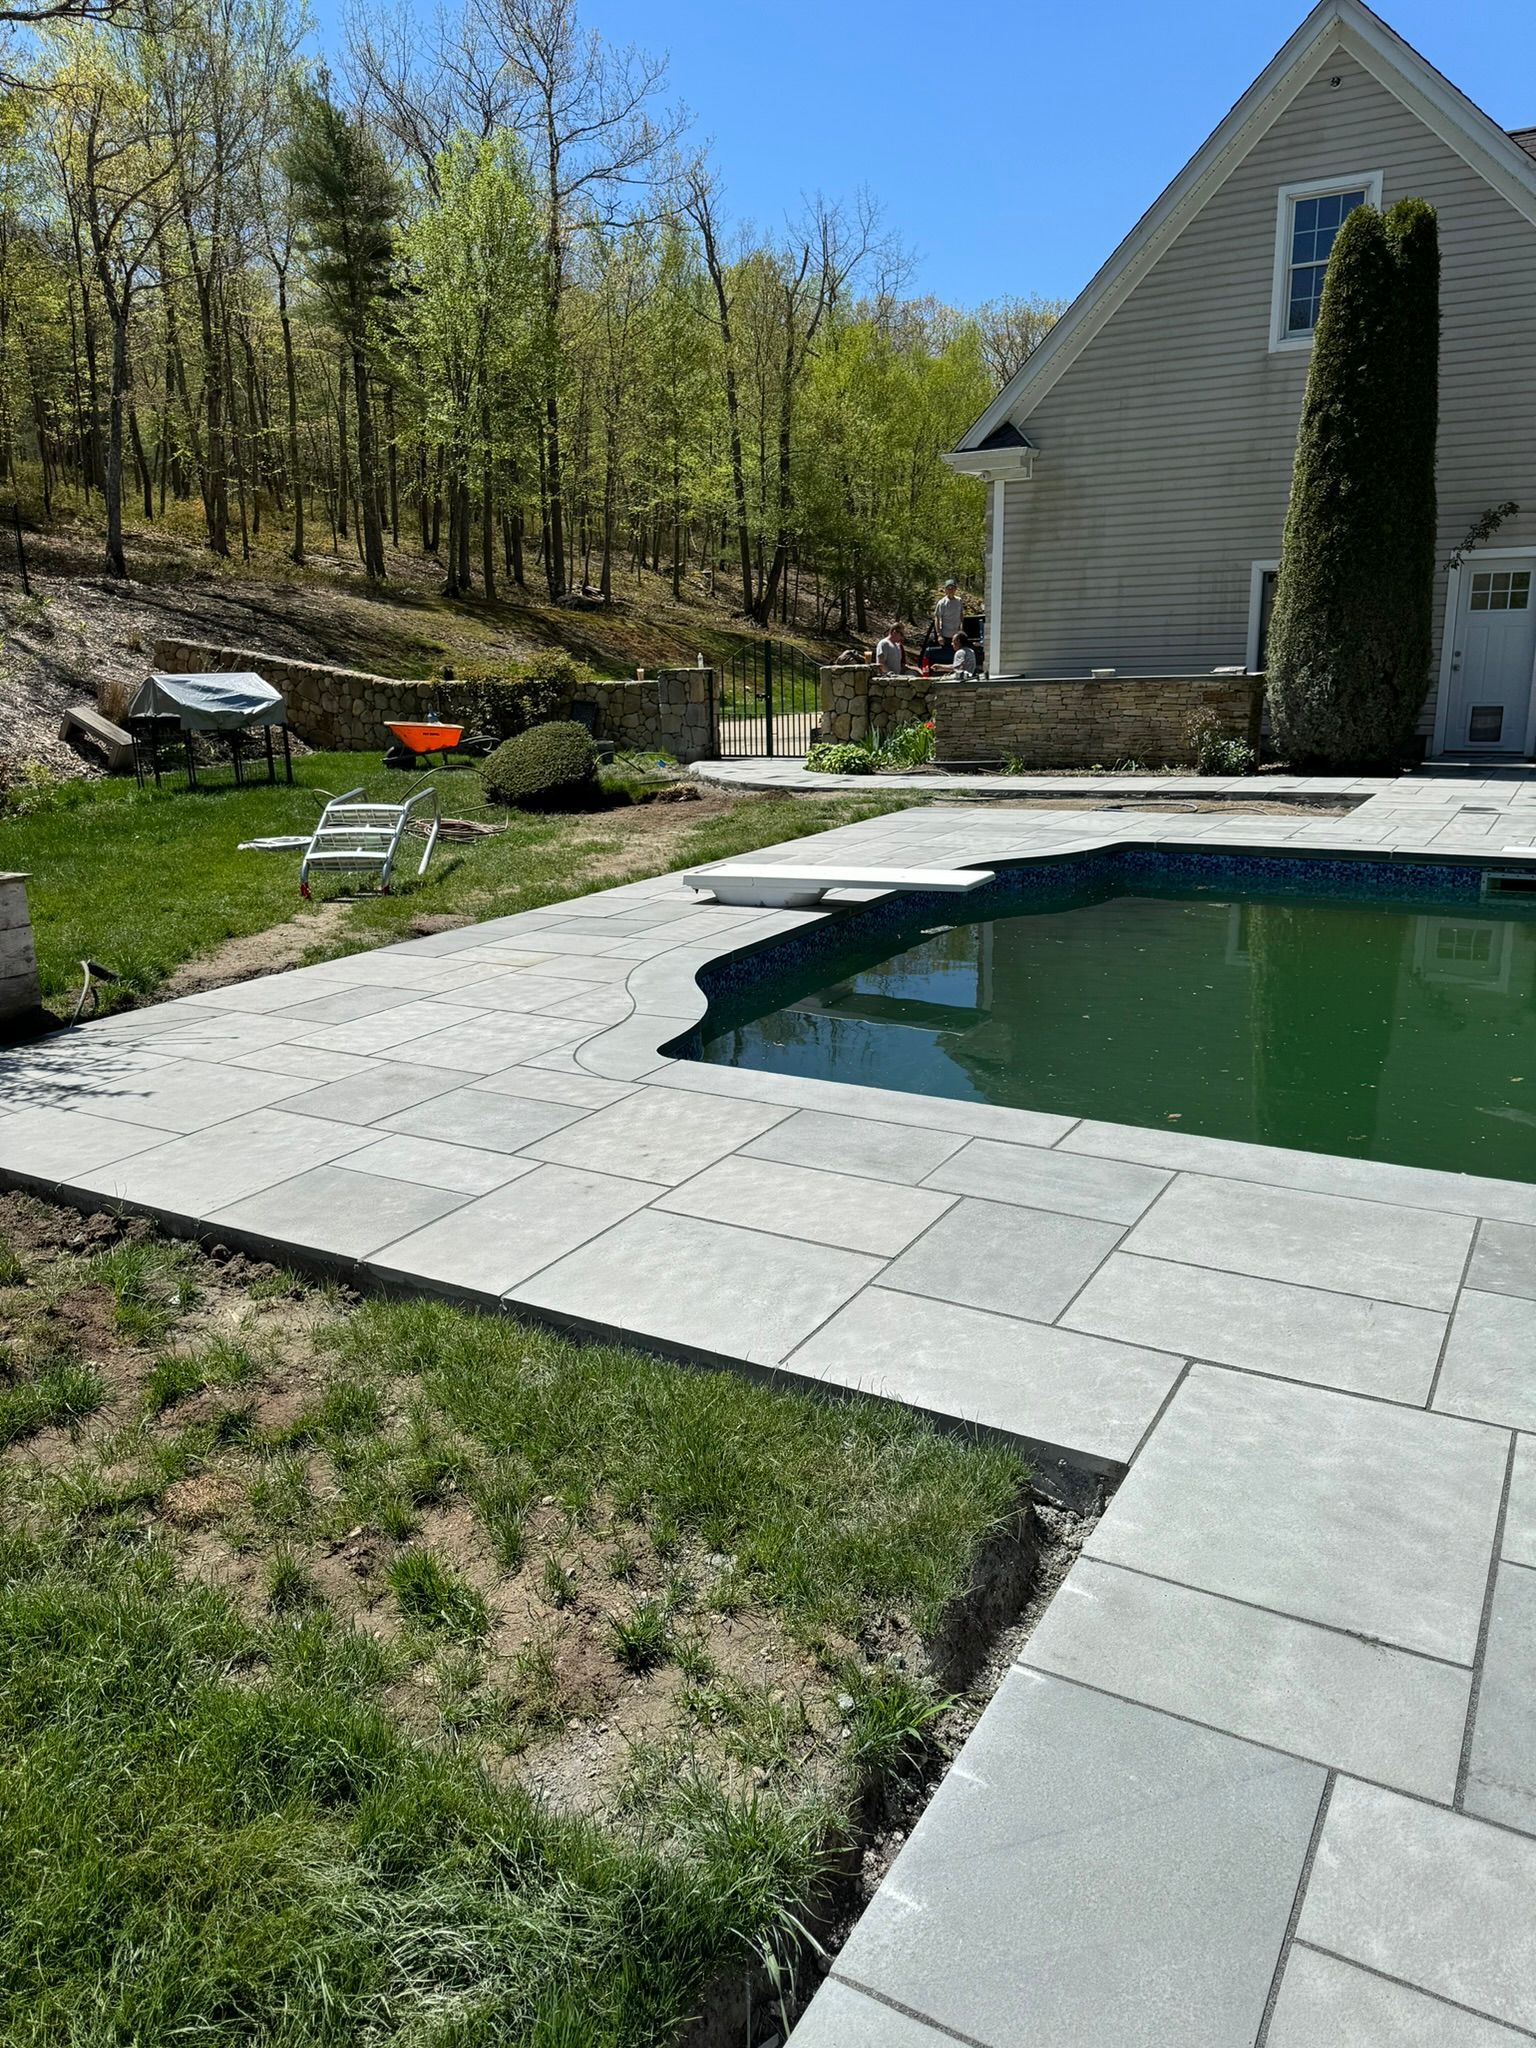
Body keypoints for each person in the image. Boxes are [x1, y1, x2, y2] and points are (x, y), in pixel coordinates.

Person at [932, 577, 964, 654]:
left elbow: (961, 616)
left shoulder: (959, 601)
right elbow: (937, 618)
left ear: (955, 589)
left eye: (952, 588)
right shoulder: (942, 603)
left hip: (957, 635)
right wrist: (939, 635)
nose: (950, 590)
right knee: (946, 655)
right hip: (946, 636)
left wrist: (961, 630)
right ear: (945, 590)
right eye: (948, 588)